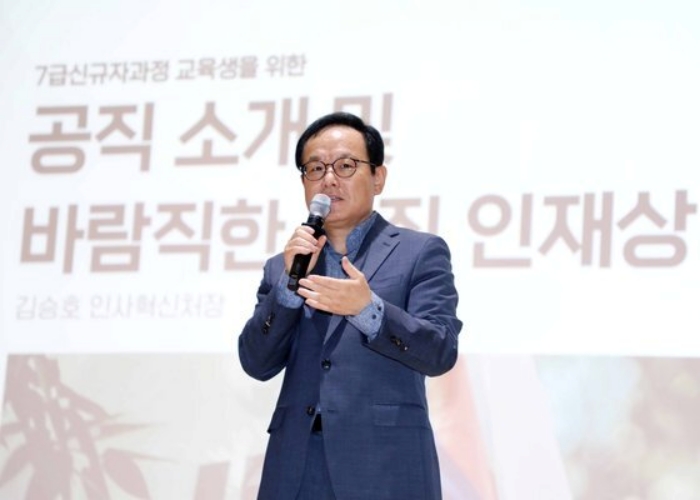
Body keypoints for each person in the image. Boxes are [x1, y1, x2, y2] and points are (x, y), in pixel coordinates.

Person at [238, 111, 463, 500]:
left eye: (345, 165)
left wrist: (369, 311)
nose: (328, 179)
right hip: (295, 469)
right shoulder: (283, 267)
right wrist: (288, 290)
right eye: (315, 168)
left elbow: (440, 351)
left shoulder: (420, 252)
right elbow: (256, 363)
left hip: (385, 466)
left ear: (378, 177)